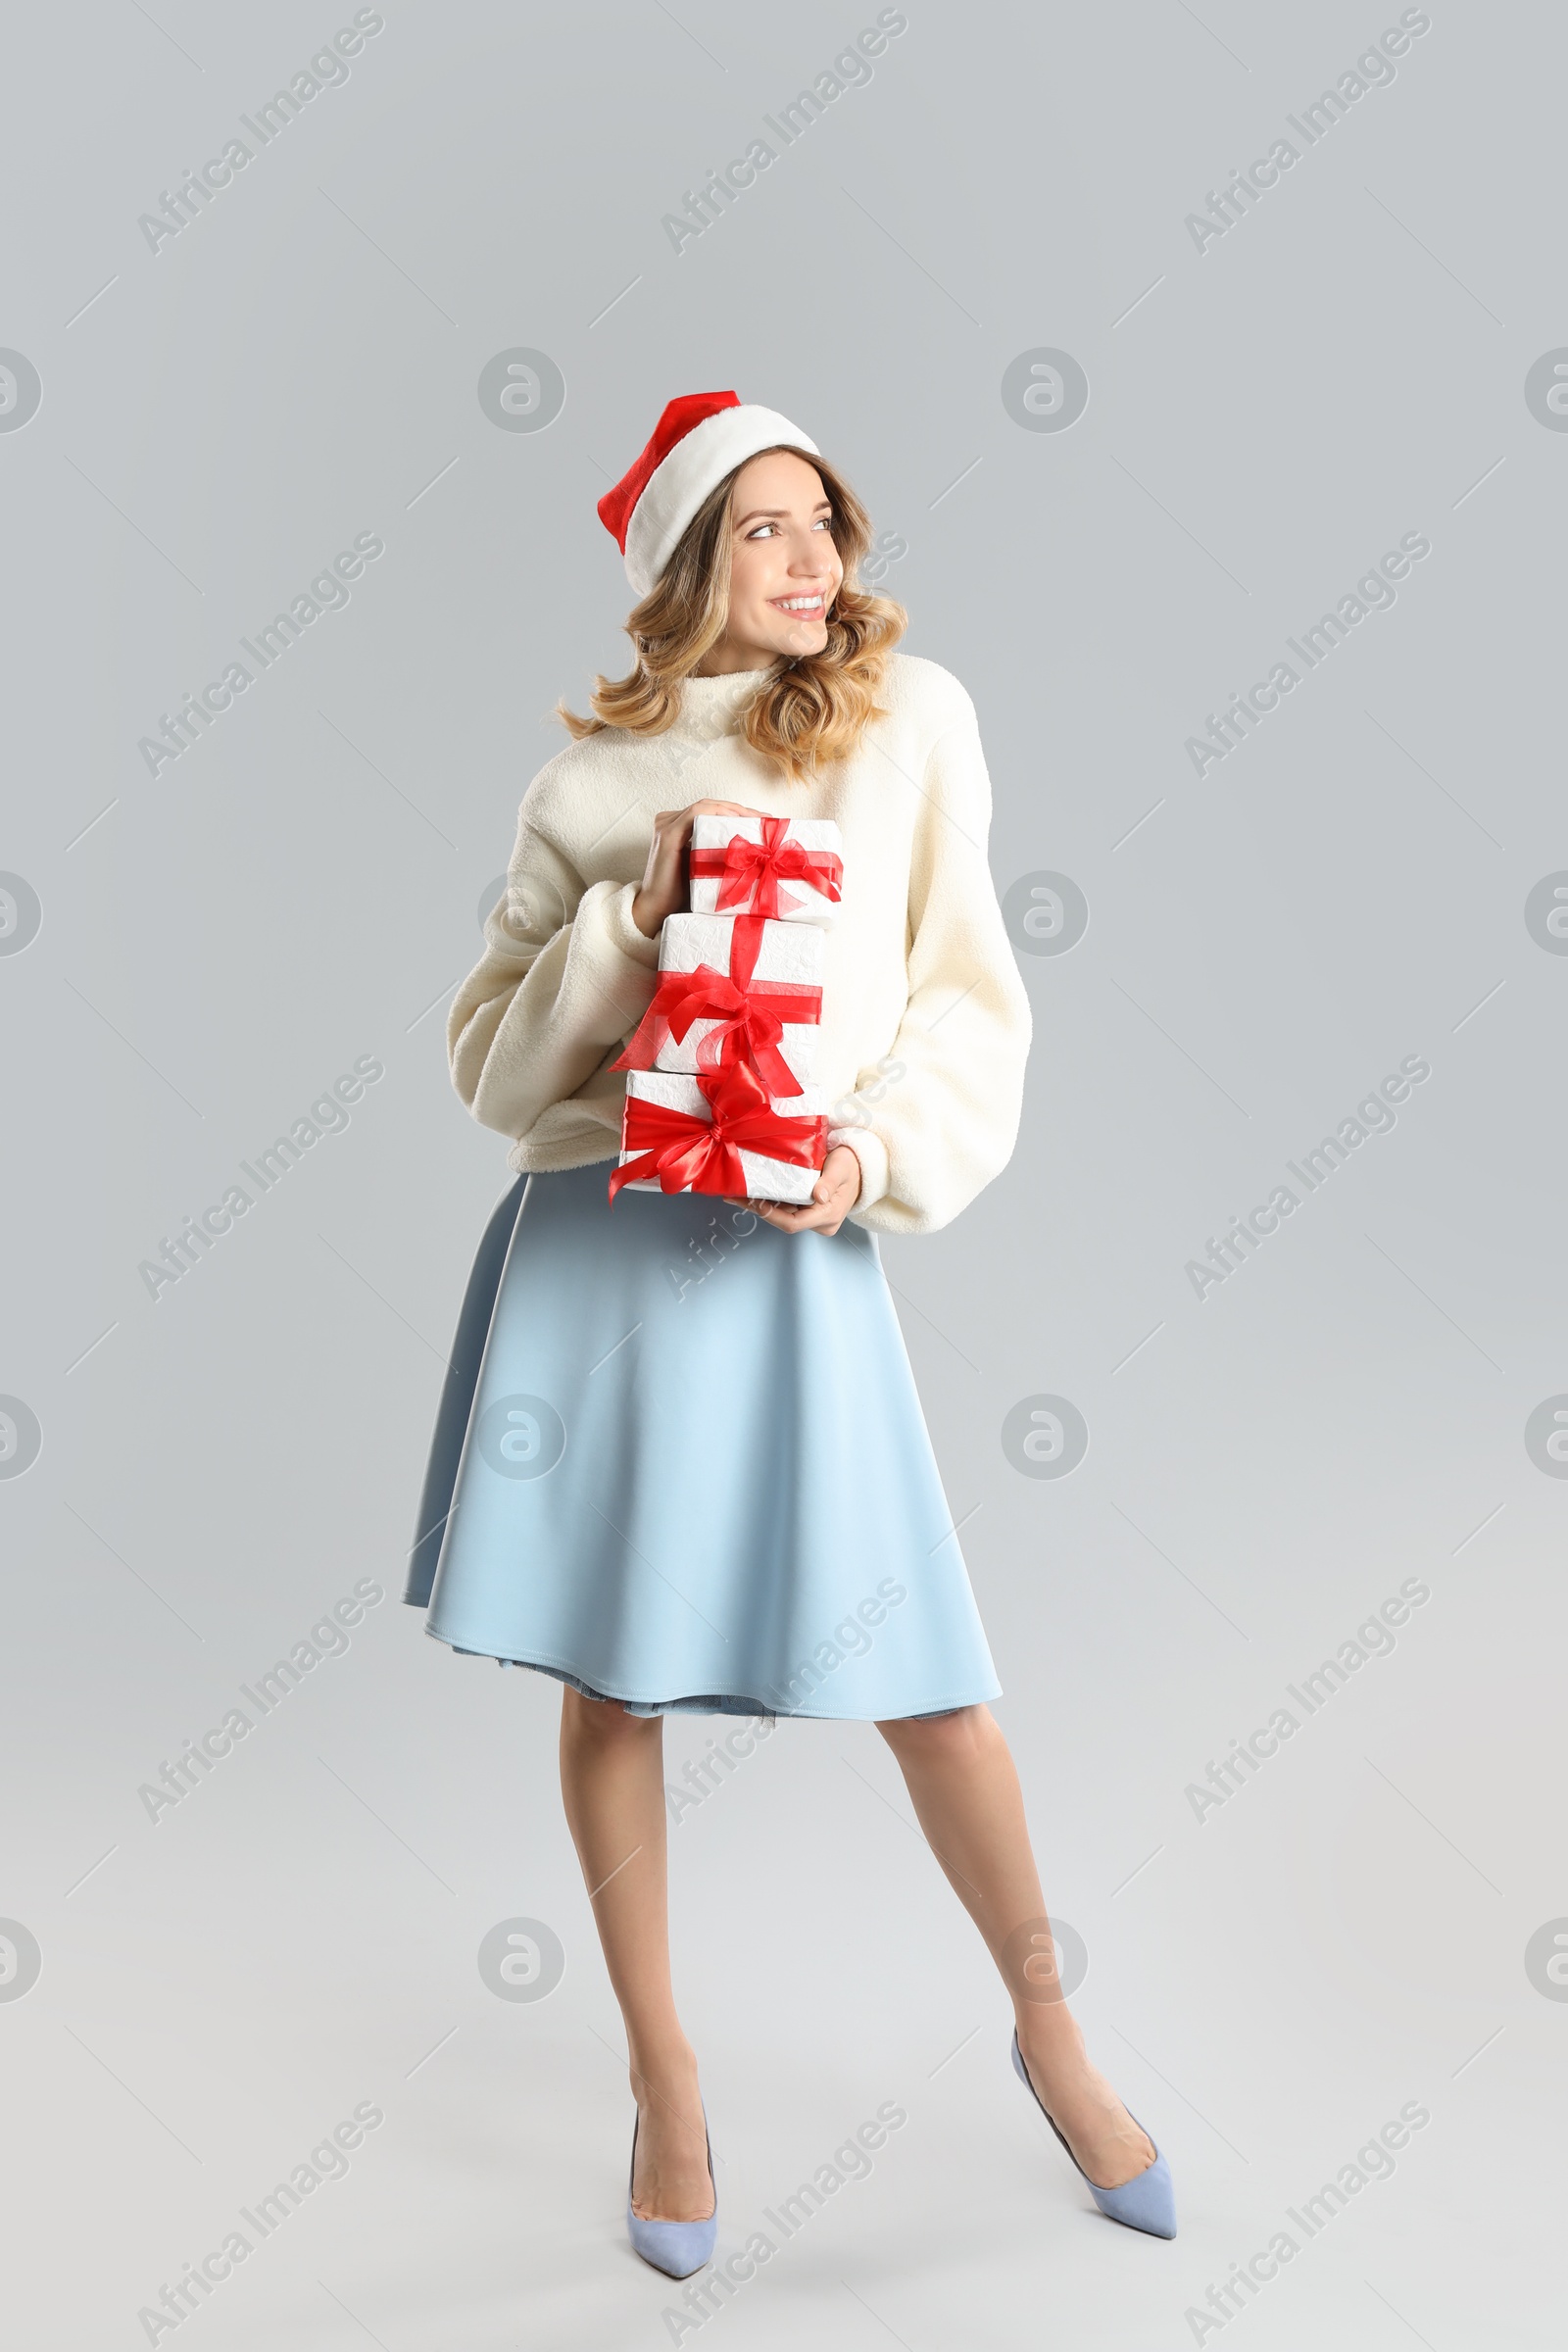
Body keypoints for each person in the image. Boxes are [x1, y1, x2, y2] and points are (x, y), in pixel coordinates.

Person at [404, 391, 1175, 2275]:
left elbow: (968, 1005)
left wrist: (866, 1159)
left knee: (931, 1687)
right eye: (762, 526)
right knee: (612, 1686)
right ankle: (666, 2086)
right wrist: (625, 916)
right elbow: (496, 1079)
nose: (815, 555)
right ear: (688, 564)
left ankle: (1052, 2031)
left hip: (789, 1251)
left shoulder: (915, 726)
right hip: (600, 1251)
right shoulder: (583, 786)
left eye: (823, 515)